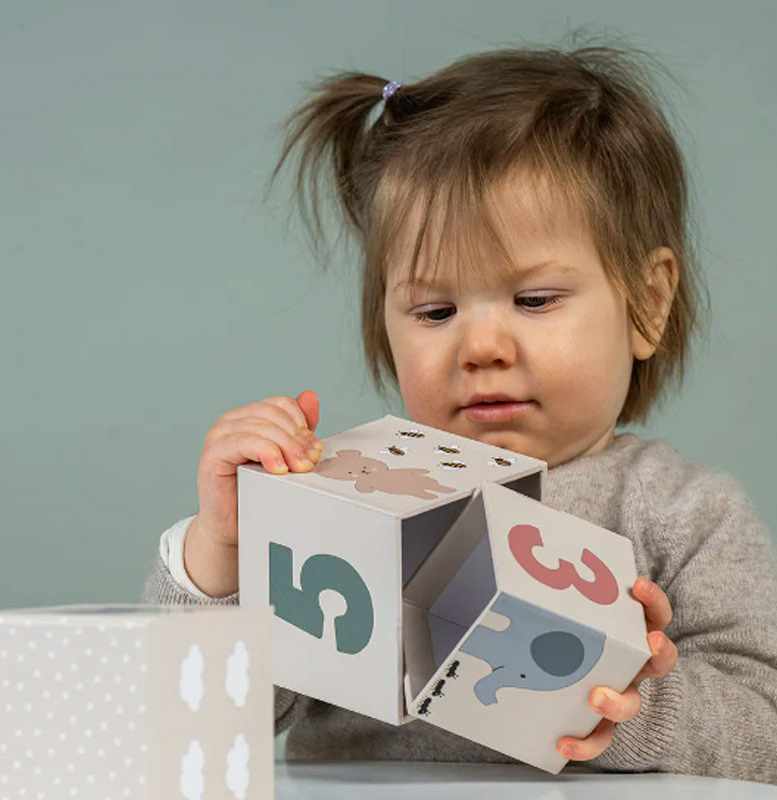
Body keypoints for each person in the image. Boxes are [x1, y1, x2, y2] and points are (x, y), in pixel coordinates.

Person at [141, 41, 777, 784]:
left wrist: (636, 704)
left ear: (648, 301)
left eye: (534, 300)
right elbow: (193, 716)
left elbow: (766, 728)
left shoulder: (682, 513)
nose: (480, 346)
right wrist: (222, 556)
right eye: (436, 310)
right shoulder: (335, 506)